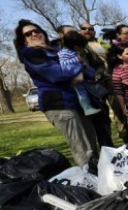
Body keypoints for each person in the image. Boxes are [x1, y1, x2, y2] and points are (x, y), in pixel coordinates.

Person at [14, 19, 98, 166]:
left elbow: (90, 72)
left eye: (37, 31)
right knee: (83, 150)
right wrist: (77, 70)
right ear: (24, 41)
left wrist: (79, 70)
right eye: (28, 34)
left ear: (43, 33)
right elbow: (57, 74)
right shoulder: (31, 54)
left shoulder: (57, 51)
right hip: (59, 105)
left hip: (78, 102)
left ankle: (101, 179)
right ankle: (89, 182)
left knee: (92, 144)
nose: (34, 34)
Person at [57, 31, 103, 116]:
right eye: (82, 47)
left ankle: (92, 105)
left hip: (82, 75)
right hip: (75, 78)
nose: (83, 49)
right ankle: (87, 108)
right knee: (82, 93)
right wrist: (77, 60)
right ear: (76, 47)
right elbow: (63, 64)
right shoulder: (63, 53)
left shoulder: (73, 52)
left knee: (88, 91)